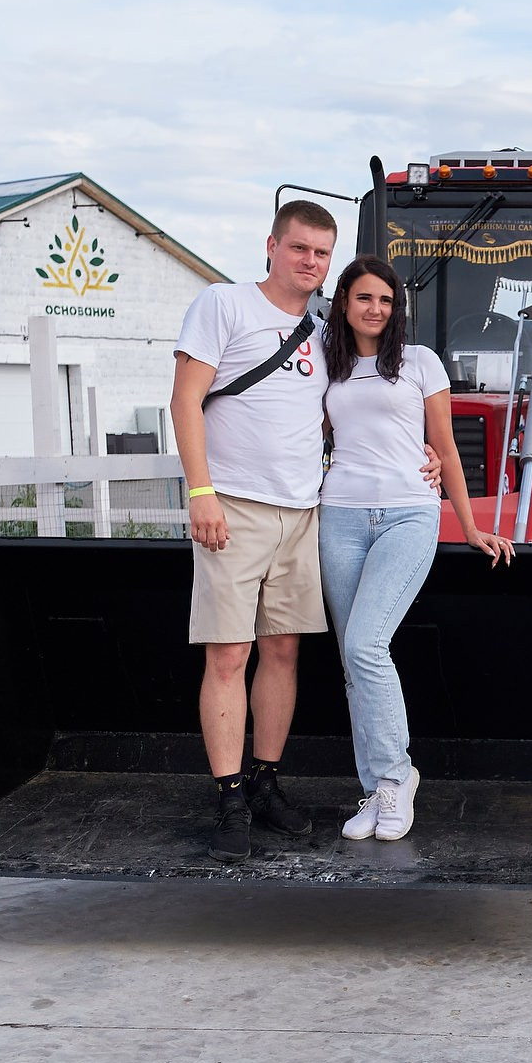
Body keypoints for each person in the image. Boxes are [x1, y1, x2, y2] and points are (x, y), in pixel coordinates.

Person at [318, 257, 515, 842]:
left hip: (408, 512)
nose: (375, 309)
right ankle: (376, 790)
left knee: (365, 642)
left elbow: (446, 449)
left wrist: (470, 526)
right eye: (363, 298)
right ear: (345, 303)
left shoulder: (421, 363)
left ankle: (399, 777)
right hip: (341, 514)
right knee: (353, 664)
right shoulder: (327, 365)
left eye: (385, 299)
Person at [170, 200, 341, 862]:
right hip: (232, 506)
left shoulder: (323, 329)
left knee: (283, 654)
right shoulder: (224, 305)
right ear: (271, 246)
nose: (310, 262)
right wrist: (201, 491)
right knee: (227, 655)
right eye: (300, 248)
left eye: (322, 253)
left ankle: (266, 782)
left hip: (301, 513)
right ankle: (229, 797)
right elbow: (186, 399)